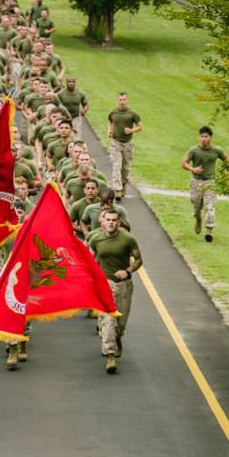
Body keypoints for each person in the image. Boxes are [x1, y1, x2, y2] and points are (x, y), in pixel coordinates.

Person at [88, 209, 143, 374]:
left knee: (120, 322)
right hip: (104, 284)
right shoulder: (95, 239)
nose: (111, 223)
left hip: (123, 285)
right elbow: (89, 261)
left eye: (114, 220)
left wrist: (127, 271)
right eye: (108, 220)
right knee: (108, 319)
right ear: (102, 222)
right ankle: (110, 355)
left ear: (119, 222)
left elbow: (139, 259)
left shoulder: (128, 239)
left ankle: (117, 337)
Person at [182, 126, 227, 242]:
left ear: (210, 138)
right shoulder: (194, 150)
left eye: (206, 137)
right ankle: (198, 220)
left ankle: (209, 231)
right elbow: (184, 163)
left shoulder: (217, 150)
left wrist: (223, 173)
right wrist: (193, 169)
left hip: (210, 182)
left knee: (210, 207)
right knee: (197, 208)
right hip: (196, 182)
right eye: (201, 136)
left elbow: (226, 160)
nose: (203, 139)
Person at [107, 92, 142, 200]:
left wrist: (131, 130)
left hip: (127, 143)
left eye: (124, 100)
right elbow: (110, 121)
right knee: (116, 165)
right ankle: (117, 189)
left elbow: (140, 127)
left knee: (125, 168)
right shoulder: (113, 112)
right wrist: (109, 131)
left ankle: (123, 185)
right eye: (120, 100)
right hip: (115, 142)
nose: (122, 102)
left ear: (127, 100)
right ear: (118, 101)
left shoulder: (132, 114)